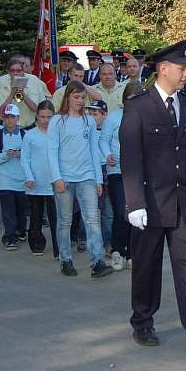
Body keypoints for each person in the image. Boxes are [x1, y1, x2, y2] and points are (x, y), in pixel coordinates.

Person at [120, 40, 186, 354]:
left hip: (185, 203)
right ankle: (142, 321)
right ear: (163, 69)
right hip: (150, 204)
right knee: (146, 267)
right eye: (182, 69)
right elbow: (131, 158)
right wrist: (134, 203)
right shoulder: (139, 105)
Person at [47, 80, 113, 279]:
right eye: (76, 97)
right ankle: (65, 259)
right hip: (64, 179)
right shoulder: (58, 121)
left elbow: (94, 150)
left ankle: (97, 261)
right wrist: (56, 177)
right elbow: (52, 151)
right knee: (65, 221)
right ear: (68, 97)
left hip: (86, 177)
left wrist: (98, 179)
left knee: (93, 219)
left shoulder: (89, 121)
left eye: (83, 97)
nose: (79, 101)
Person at [100, 83, 141, 271]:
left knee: (135, 212)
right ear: (125, 99)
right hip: (117, 170)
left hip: (138, 171)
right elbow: (104, 139)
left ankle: (133, 253)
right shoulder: (115, 117)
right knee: (120, 211)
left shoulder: (145, 117)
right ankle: (117, 250)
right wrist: (107, 154)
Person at [0, 104, 30, 251]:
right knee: (8, 210)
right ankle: (9, 237)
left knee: (21, 209)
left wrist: (21, 154)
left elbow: (31, 155)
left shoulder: (25, 135)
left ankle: (21, 230)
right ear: (2, 118)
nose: (9, 120)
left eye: (12, 117)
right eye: (6, 117)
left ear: (18, 118)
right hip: (5, 180)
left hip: (21, 180)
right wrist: (5, 155)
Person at [21, 101, 58, 257]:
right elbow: (25, 158)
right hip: (36, 182)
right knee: (36, 215)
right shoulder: (30, 135)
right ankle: (36, 243)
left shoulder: (57, 134)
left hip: (54, 182)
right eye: (42, 116)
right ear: (37, 116)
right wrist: (29, 176)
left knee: (55, 217)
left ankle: (59, 248)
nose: (46, 120)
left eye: (49, 117)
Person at [0, 58, 51, 129]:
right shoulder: (0, 82)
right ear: (8, 71)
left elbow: (37, 109)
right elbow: (2, 111)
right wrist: (11, 94)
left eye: (18, 71)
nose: (15, 73)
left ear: (23, 71)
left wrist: (23, 93)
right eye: (12, 71)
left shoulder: (34, 80)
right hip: (8, 127)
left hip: (28, 126)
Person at [86, 99, 114, 259]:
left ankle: (108, 243)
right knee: (93, 210)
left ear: (104, 115)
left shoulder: (109, 131)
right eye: (90, 113)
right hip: (91, 172)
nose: (91, 116)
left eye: (95, 114)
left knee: (108, 210)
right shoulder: (87, 131)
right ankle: (87, 239)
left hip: (107, 170)